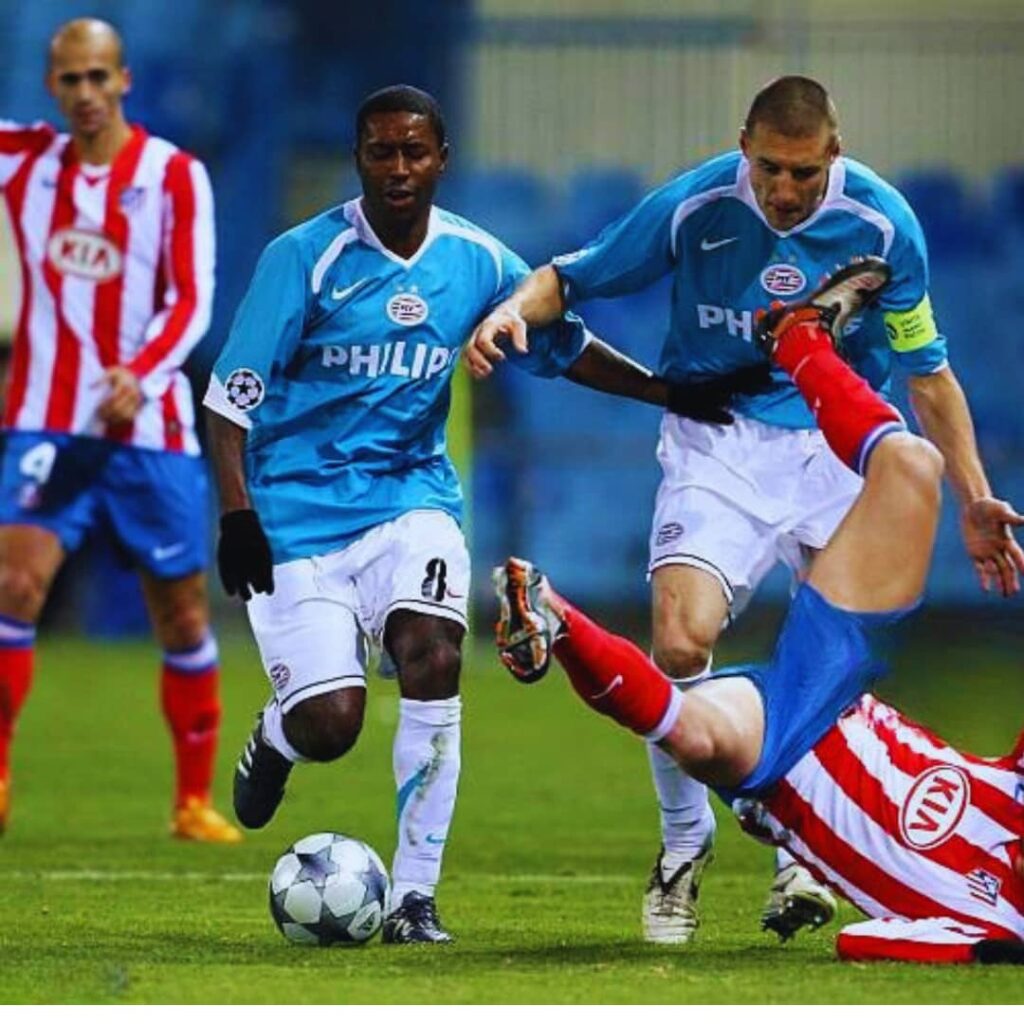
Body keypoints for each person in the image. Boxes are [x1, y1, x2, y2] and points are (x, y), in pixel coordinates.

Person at [465, 75, 1024, 944]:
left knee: (836, 640)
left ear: (833, 155)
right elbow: (566, 280)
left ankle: (801, 851)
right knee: (681, 638)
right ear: (743, 148)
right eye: (769, 168)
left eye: (804, 172)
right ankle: (684, 843)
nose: (785, 190)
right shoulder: (696, 204)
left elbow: (926, 372)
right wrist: (509, 312)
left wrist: (977, 495)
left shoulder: (883, 227)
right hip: (717, 440)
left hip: (834, 442)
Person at [203, 84, 650, 944]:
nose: (399, 167)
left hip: (413, 501)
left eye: (415, 152)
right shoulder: (304, 259)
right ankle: (280, 733)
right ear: (359, 158)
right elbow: (229, 403)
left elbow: (564, 346)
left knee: (433, 651)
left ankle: (414, 898)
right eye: (381, 152)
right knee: (332, 726)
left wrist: (670, 392)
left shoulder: (480, 262)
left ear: (441, 159)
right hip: (296, 516)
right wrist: (237, 517)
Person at [0, 19, 238, 842]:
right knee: (13, 588)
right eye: (71, 80)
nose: (87, 94)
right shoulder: (24, 159)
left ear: (124, 80)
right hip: (44, 421)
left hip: (152, 430)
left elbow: (192, 299)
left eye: (100, 77)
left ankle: (192, 801)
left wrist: (142, 372)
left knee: (179, 616)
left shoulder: (173, 175)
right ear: (51, 86)